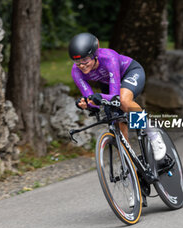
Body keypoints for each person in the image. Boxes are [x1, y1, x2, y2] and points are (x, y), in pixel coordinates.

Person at [68, 32, 166, 161]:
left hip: (129, 73)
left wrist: (98, 97)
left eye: (85, 60)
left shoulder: (109, 57)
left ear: (95, 55)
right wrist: (86, 103)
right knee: (117, 125)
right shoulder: (76, 71)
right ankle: (131, 170)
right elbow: (92, 100)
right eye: (77, 61)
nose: (81, 65)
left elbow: (115, 97)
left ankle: (153, 134)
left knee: (124, 102)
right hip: (108, 83)